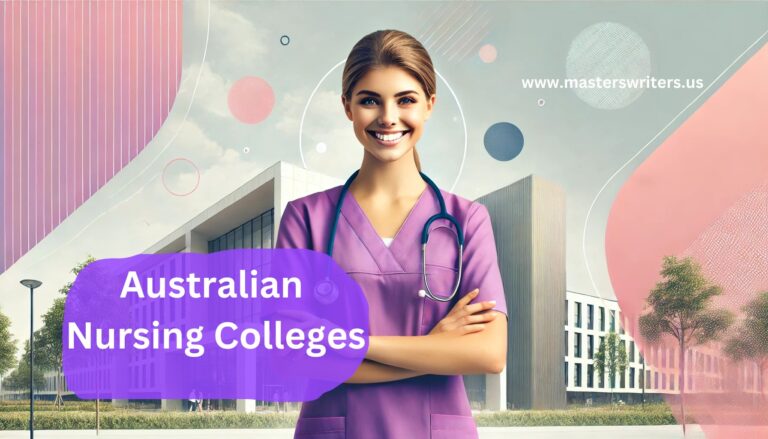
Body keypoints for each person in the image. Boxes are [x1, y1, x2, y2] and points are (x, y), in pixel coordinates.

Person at [276, 29, 508, 439]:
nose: (388, 117)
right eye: (369, 100)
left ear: (430, 105)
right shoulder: (305, 220)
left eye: (406, 100)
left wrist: (350, 344)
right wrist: (436, 350)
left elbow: (488, 352)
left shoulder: (466, 220)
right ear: (347, 107)